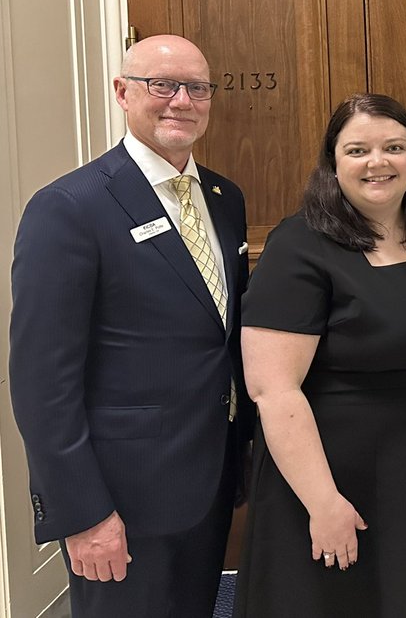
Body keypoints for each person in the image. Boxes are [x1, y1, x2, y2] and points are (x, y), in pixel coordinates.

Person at [9, 35, 250, 618]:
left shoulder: (224, 198)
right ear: (122, 92)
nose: (182, 101)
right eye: (161, 85)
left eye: (197, 87)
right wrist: (82, 512)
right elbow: (43, 382)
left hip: (209, 478)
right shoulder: (70, 206)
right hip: (118, 498)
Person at [234, 93, 406, 617]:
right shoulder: (298, 245)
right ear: (333, 163)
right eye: (357, 150)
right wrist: (323, 503)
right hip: (332, 467)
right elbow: (272, 389)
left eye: (394, 147)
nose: (378, 162)